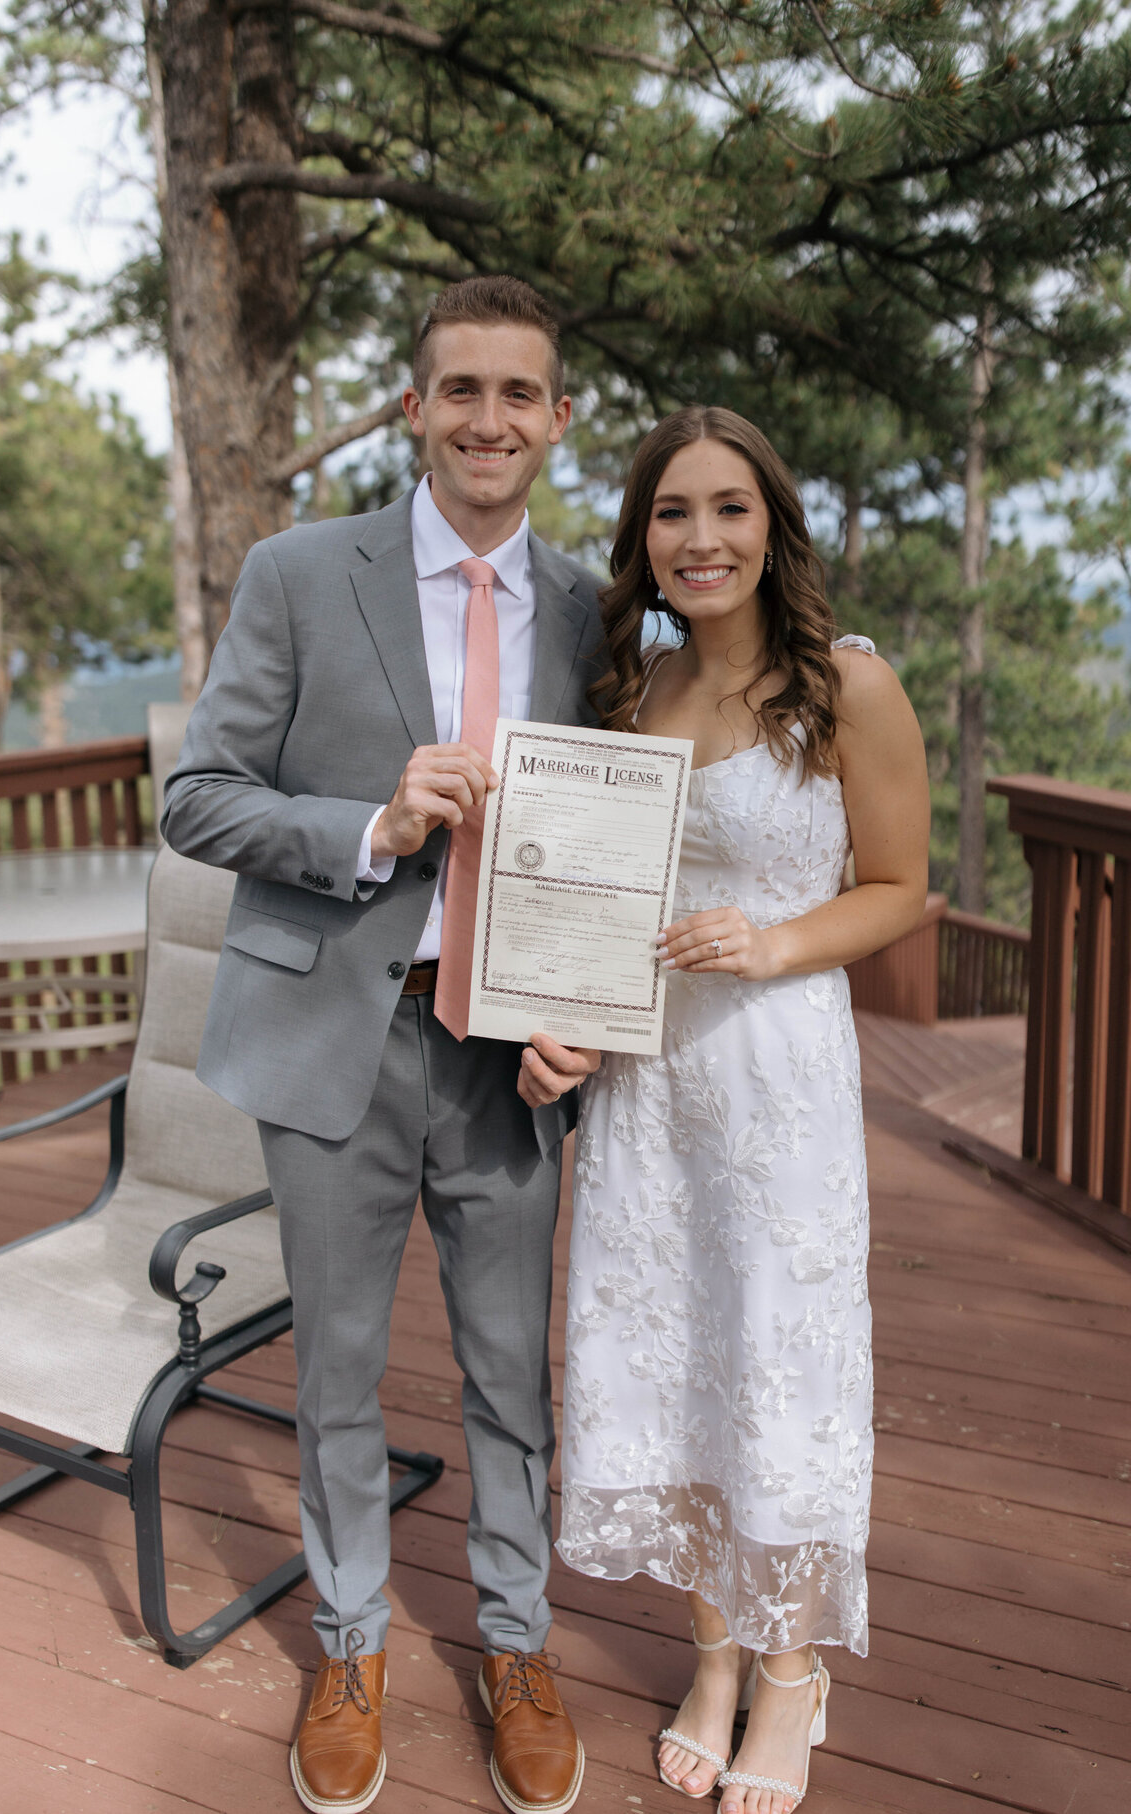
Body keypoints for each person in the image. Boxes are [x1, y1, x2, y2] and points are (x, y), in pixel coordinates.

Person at [162, 275, 603, 1814]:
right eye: (460, 389)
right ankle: (349, 1639)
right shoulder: (297, 573)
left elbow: (627, 838)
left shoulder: (598, 610)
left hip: (506, 1059)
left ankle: (515, 1642)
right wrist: (369, 821)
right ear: (414, 408)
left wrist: (588, 1021)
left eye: (519, 393)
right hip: (334, 1034)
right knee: (337, 1371)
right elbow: (198, 795)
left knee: (509, 1378)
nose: (490, 419)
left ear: (559, 418)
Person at [556, 407, 929, 1814]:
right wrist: (568, 1024)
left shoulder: (849, 686)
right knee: (681, 1350)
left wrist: (772, 941)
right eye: (671, 513)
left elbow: (902, 884)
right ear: (642, 540)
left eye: (727, 508)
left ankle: (792, 1673)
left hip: (778, 1078)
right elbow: (600, 902)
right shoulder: (636, 691)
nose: (700, 538)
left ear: (773, 523)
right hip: (655, 1088)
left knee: (778, 1353)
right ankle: (710, 1657)